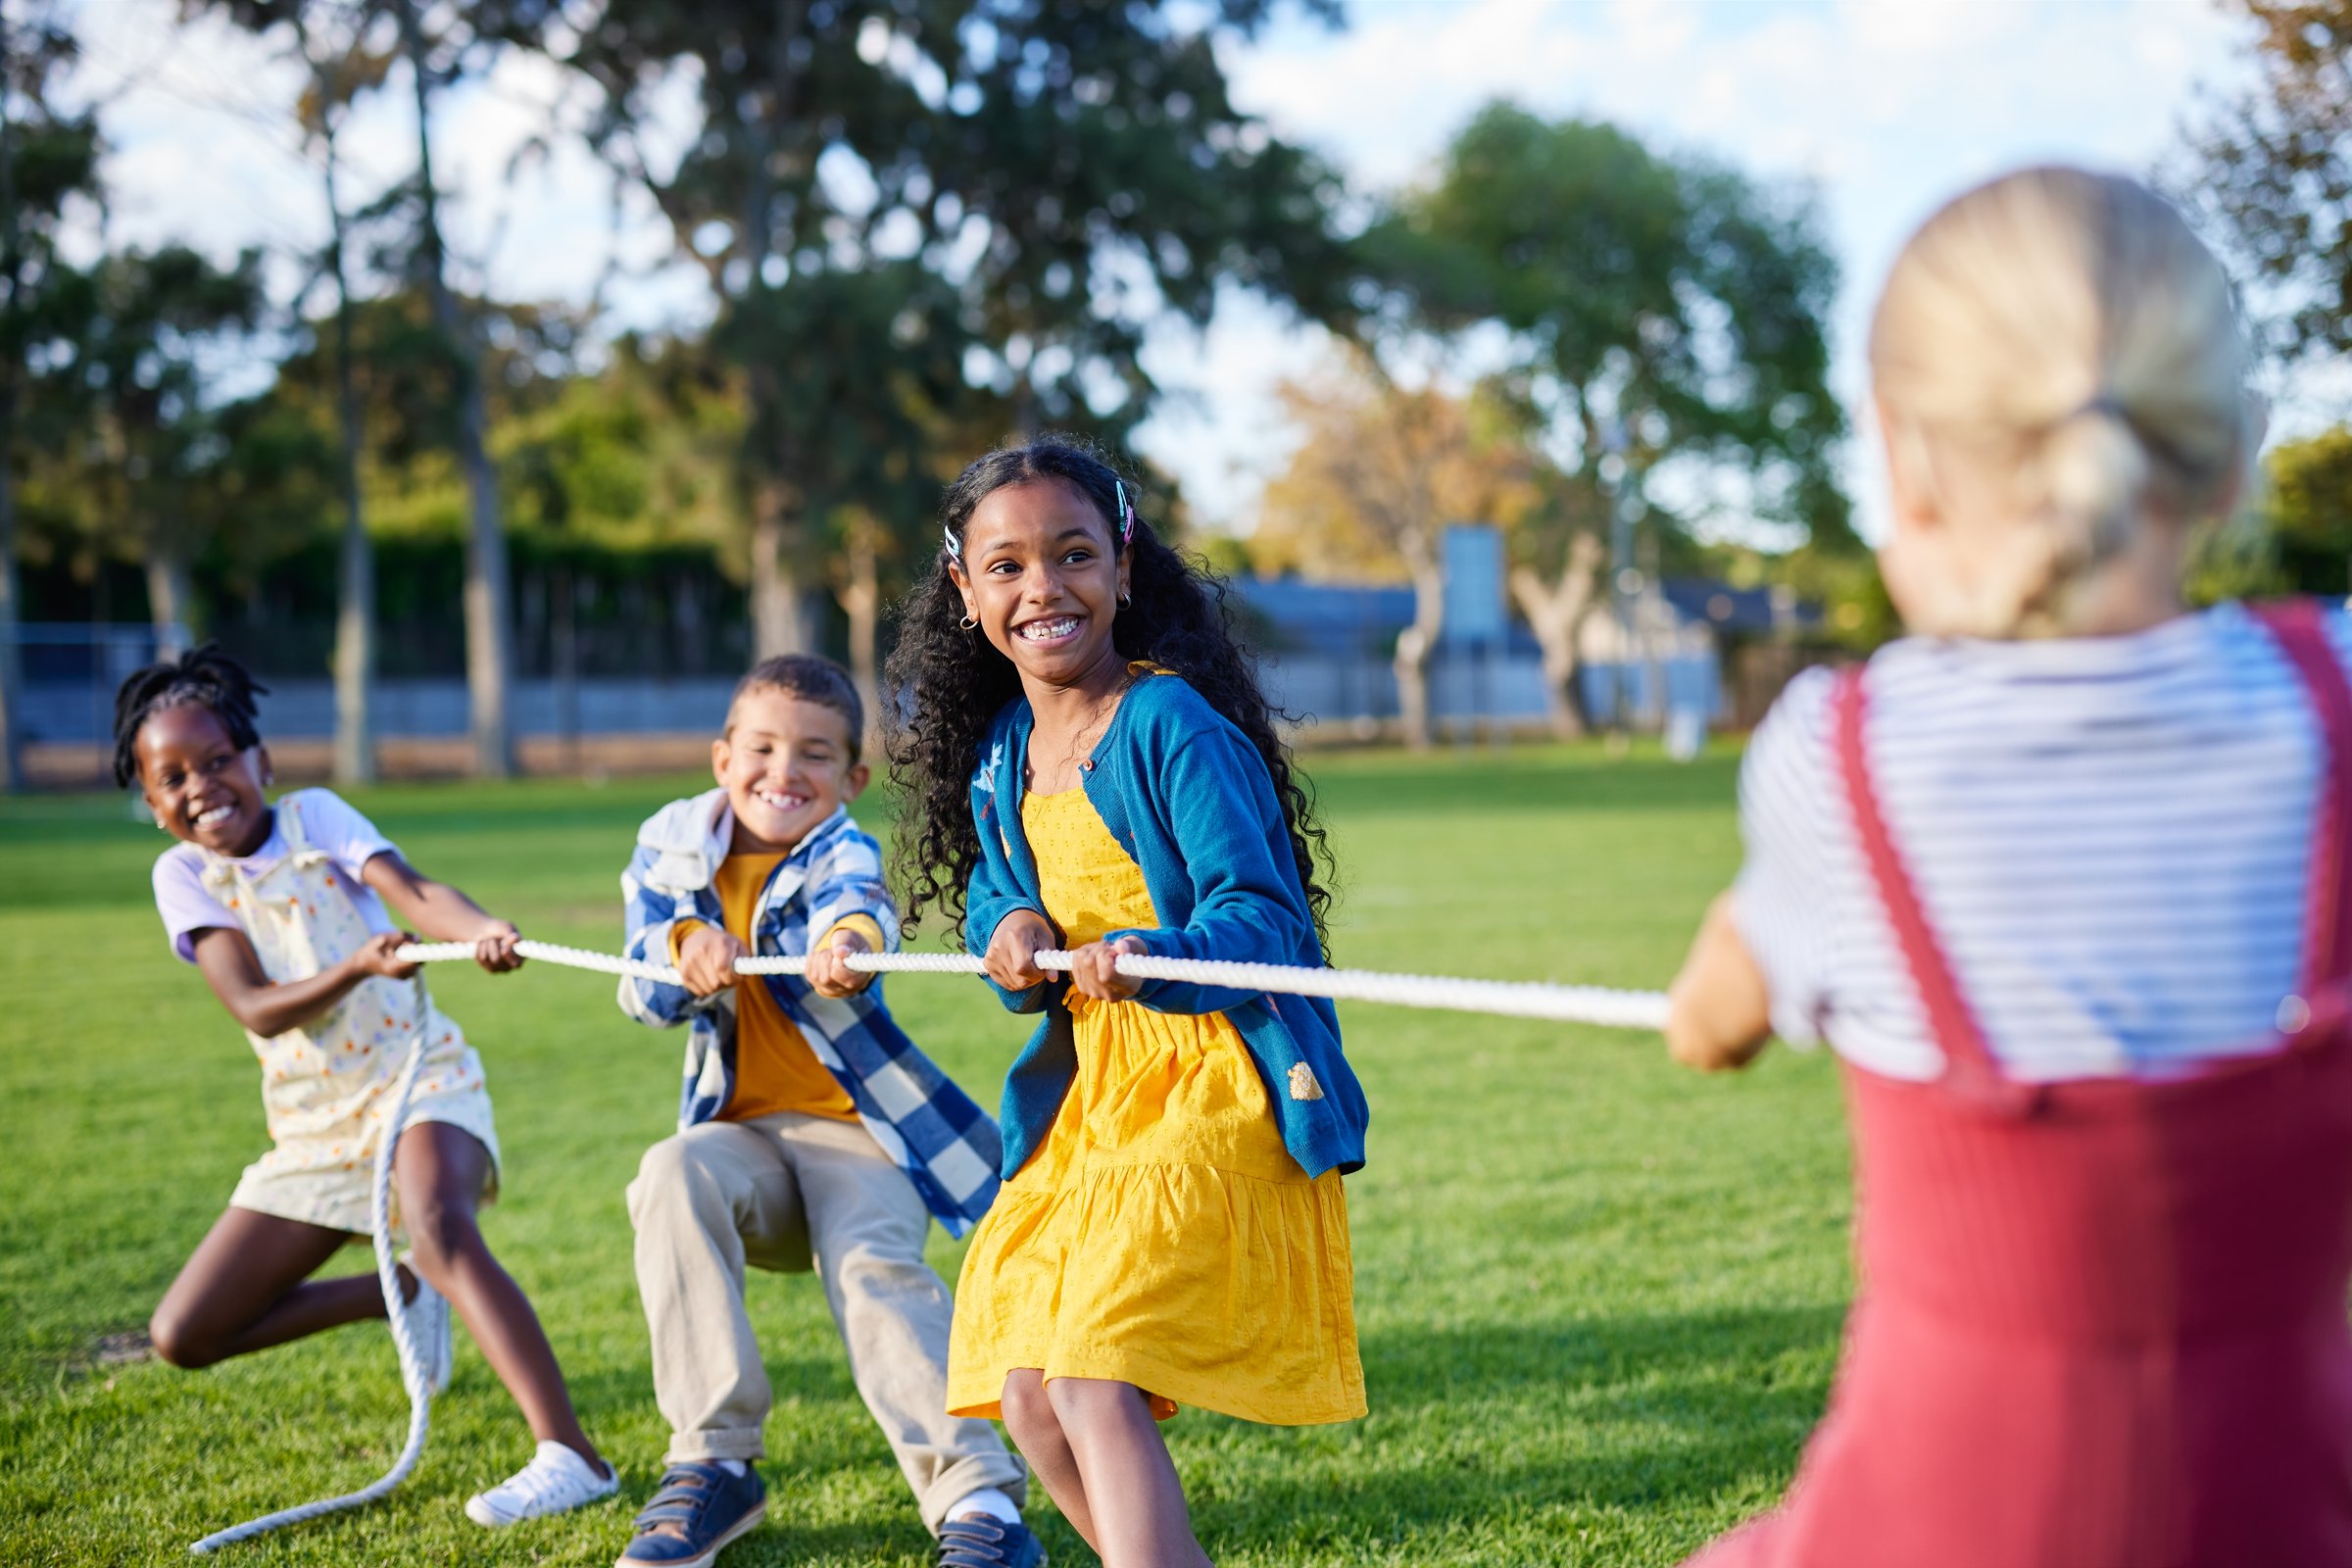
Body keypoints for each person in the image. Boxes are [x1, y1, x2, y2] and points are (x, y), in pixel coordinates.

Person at [1666, 166, 2352, 1566]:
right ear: (2227, 455)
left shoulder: (1840, 757)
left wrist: (1713, 1016)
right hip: (2282, 1494)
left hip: (1948, 1506)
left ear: (1908, 468)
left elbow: (1710, 1020)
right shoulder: (2335, 698)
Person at [886, 437, 1370, 1568]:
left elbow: (1264, 921)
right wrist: (1004, 929)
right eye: (1005, 567)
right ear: (965, 592)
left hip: (1212, 1084)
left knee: (1093, 1376)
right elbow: (1002, 887)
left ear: (1124, 565)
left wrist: (1155, 952)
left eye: (1072, 555)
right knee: (1028, 1394)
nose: (1042, 588)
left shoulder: (1171, 726)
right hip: (1090, 1109)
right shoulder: (1003, 755)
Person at [121, 644, 614, 1529]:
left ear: (261, 764)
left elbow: (415, 892)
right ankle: (409, 1293)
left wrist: (482, 929)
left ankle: (571, 1454)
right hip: (313, 1128)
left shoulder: (313, 817)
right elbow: (256, 1006)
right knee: (183, 1335)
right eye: (173, 778)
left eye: (219, 761)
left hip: (420, 1080)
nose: (201, 785)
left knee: (438, 1224)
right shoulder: (186, 876)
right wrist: (354, 966)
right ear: (154, 807)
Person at [612, 654, 1036, 1568]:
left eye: (813, 755)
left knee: (873, 1270)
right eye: (762, 748)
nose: (783, 772)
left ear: (850, 779)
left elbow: (861, 905)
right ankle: (714, 1461)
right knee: (668, 1172)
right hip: (739, 1139)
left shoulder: (837, 846)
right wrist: (683, 945)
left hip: (857, 1135)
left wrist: (848, 943)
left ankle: (979, 1504)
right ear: (723, 759)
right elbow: (642, 989)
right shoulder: (669, 846)